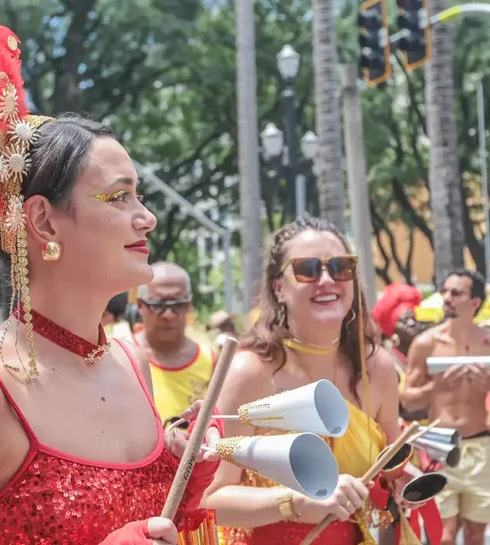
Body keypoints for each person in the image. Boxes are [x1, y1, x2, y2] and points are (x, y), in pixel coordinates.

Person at [0, 14, 220, 545]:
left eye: (139, 195)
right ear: (44, 220)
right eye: (118, 197)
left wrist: (180, 486)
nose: (147, 217)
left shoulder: (131, 360)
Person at [203, 217, 400, 545]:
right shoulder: (249, 372)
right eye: (307, 268)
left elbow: (392, 468)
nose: (326, 279)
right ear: (278, 287)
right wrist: (294, 502)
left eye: (340, 267)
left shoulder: (375, 367)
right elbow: (210, 499)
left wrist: (405, 482)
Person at [402, 269, 490, 545]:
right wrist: (435, 388)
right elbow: (407, 399)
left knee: (477, 535)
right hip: (439, 444)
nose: (447, 298)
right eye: (445, 291)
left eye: (456, 293)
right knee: (443, 536)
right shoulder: (426, 343)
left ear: (475, 302)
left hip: (479, 444)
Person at [134, 262, 216, 429]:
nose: (169, 315)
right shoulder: (119, 356)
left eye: (177, 304)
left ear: (189, 305)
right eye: (158, 305)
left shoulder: (210, 360)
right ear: (140, 306)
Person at [371, 283, 427, 422]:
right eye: (405, 321)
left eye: (413, 318)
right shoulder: (388, 363)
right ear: (393, 331)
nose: (412, 324)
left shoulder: (425, 354)